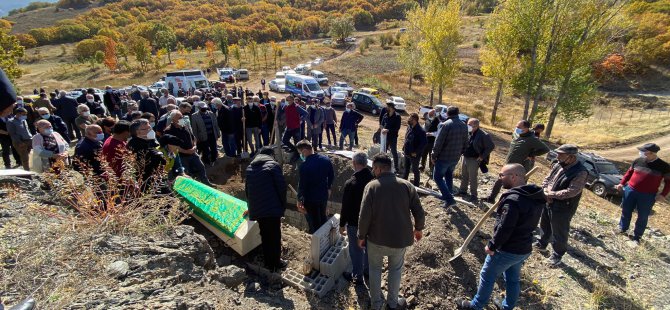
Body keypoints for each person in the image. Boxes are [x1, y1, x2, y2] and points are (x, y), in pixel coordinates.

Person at [456, 164, 546, 310]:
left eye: (501, 175)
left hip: (508, 249)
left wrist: (492, 245)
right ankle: (507, 307)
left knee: (487, 275)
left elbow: (505, 227)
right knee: (512, 279)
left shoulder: (513, 200)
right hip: (523, 248)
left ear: (514, 177)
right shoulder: (533, 196)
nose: (499, 178)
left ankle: (475, 306)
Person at [358, 153, 425, 310]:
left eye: (374, 168)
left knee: (375, 270)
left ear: (379, 169)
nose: (373, 171)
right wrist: (418, 229)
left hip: (376, 239)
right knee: (395, 270)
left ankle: (376, 304)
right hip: (400, 240)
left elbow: (364, 215)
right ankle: (392, 304)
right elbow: (419, 211)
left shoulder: (372, 187)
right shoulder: (407, 185)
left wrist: (361, 236)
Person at [535, 144, 587, 266]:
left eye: (561, 155)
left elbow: (572, 191)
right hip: (549, 201)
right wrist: (545, 190)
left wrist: (551, 194)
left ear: (571, 157)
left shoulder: (581, 172)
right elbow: (548, 179)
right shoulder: (559, 165)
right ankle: (542, 243)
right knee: (544, 224)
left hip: (564, 207)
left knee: (560, 231)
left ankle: (557, 254)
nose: (558, 157)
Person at [245, 146, 288, 272]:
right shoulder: (273, 166)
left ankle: (268, 263)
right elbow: (281, 188)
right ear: (271, 155)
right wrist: (282, 206)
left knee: (265, 236)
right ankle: (276, 263)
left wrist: (251, 208)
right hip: (272, 209)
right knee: (275, 237)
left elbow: (248, 191)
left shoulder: (250, 168)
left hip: (258, 210)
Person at [616, 143, 670, 243]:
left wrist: (663, 195)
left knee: (643, 216)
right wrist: (621, 183)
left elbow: (668, 182)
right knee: (626, 210)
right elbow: (629, 173)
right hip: (630, 190)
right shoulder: (638, 160)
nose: (640, 152)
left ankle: (637, 237)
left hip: (648, 195)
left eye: (643, 151)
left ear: (651, 153)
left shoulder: (664, 166)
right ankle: (622, 228)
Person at [486, 120, 550, 203]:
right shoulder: (516, 135)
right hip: (509, 164)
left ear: (526, 128)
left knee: (517, 187)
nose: (517, 128)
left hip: (520, 168)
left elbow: (545, 149)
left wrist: (531, 154)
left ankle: (511, 202)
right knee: (500, 180)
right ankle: (491, 198)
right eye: (516, 126)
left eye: (519, 127)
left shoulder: (532, 139)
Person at [339, 152, 374, 284]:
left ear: (354, 163)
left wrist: (342, 224)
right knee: (369, 248)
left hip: (355, 223)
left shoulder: (351, 183)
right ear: (366, 163)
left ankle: (357, 276)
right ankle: (368, 271)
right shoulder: (373, 180)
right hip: (372, 222)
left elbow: (346, 207)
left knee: (356, 249)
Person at [431, 106, 469, 208]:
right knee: (448, 175)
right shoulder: (464, 125)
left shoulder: (445, 125)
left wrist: (433, 156)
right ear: (458, 113)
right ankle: (448, 194)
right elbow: (466, 143)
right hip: (455, 157)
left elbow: (438, 142)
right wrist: (461, 153)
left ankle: (449, 199)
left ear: (447, 114)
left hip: (444, 157)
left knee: (437, 177)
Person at [296, 140, 334, 233]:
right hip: (323, 196)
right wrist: (329, 188)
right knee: (323, 219)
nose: (301, 155)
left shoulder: (304, 166)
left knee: (314, 224)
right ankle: (325, 240)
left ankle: (317, 243)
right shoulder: (326, 160)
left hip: (310, 200)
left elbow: (302, 186)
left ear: (304, 151)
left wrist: (298, 200)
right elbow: (331, 176)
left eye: (300, 153)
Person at [164, 111, 212, 186]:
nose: (182, 118)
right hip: (181, 157)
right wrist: (187, 151)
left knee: (201, 167)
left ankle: (206, 183)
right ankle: (190, 188)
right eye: (179, 117)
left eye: (182, 117)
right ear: (173, 119)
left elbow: (193, 137)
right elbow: (172, 146)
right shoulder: (169, 130)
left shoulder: (185, 126)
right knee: (186, 173)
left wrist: (194, 146)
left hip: (193, 153)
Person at [458, 118, 495, 202]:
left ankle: (473, 195)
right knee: (464, 175)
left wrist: (482, 156)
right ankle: (462, 191)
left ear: (476, 126)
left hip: (474, 159)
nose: (467, 126)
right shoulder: (469, 132)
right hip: (466, 157)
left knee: (472, 177)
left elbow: (491, 146)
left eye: (470, 125)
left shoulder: (484, 135)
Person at [127, 119, 167, 190]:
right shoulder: (136, 145)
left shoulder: (149, 141)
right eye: (147, 129)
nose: (150, 130)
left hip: (155, 178)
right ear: (137, 132)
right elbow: (160, 159)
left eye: (150, 127)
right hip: (147, 181)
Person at [191, 101, 220, 165]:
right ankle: (206, 161)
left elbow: (215, 125)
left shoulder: (211, 114)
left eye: (205, 108)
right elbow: (194, 128)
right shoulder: (194, 116)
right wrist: (196, 138)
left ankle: (213, 159)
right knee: (205, 150)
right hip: (203, 136)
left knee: (214, 148)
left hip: (212, 134)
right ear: (199, 108)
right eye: (202, 108)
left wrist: (218, 134)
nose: (204, 109)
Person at [401, 113, 427, 186]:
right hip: (407, 152)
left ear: (415, 120)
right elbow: (407, 138)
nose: (408, 120)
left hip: (414, 154)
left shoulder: (421, 131)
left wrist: (416, 152)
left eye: (410, 119)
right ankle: (403, 183)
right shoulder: (410, 127)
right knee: (406, 168)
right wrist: (404, 148)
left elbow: (423, 143)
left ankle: (416, 185)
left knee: (415, 170)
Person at [380, 102, 401, 171]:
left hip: (393, 137)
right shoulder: (386, 115)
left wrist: (388, 130)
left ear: (391, 107)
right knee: (384, 150)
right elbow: (382, 124)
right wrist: (382, 129)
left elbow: (397, 128)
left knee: (393, 151)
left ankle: (396, 168)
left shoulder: (397, 116)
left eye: (387, 107)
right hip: (385, 136)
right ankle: (384, 165)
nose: (386, 108)